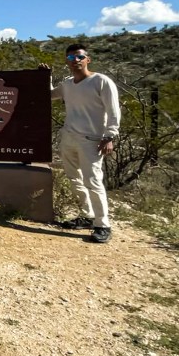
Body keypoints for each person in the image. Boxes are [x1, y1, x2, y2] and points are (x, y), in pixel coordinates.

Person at [43, 44, 121, 243]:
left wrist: (110, 136)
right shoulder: (68, 84)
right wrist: (45, 78)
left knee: (93, 180)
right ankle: (87, 216)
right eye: (70, 58)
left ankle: (102, 224)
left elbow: (113, 111)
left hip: (92, 140)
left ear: (88, 59)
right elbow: (50, 95)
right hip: (69, 137)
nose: (75, 61)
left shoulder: (101, 82)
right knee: (74, 178)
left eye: (79, 57)